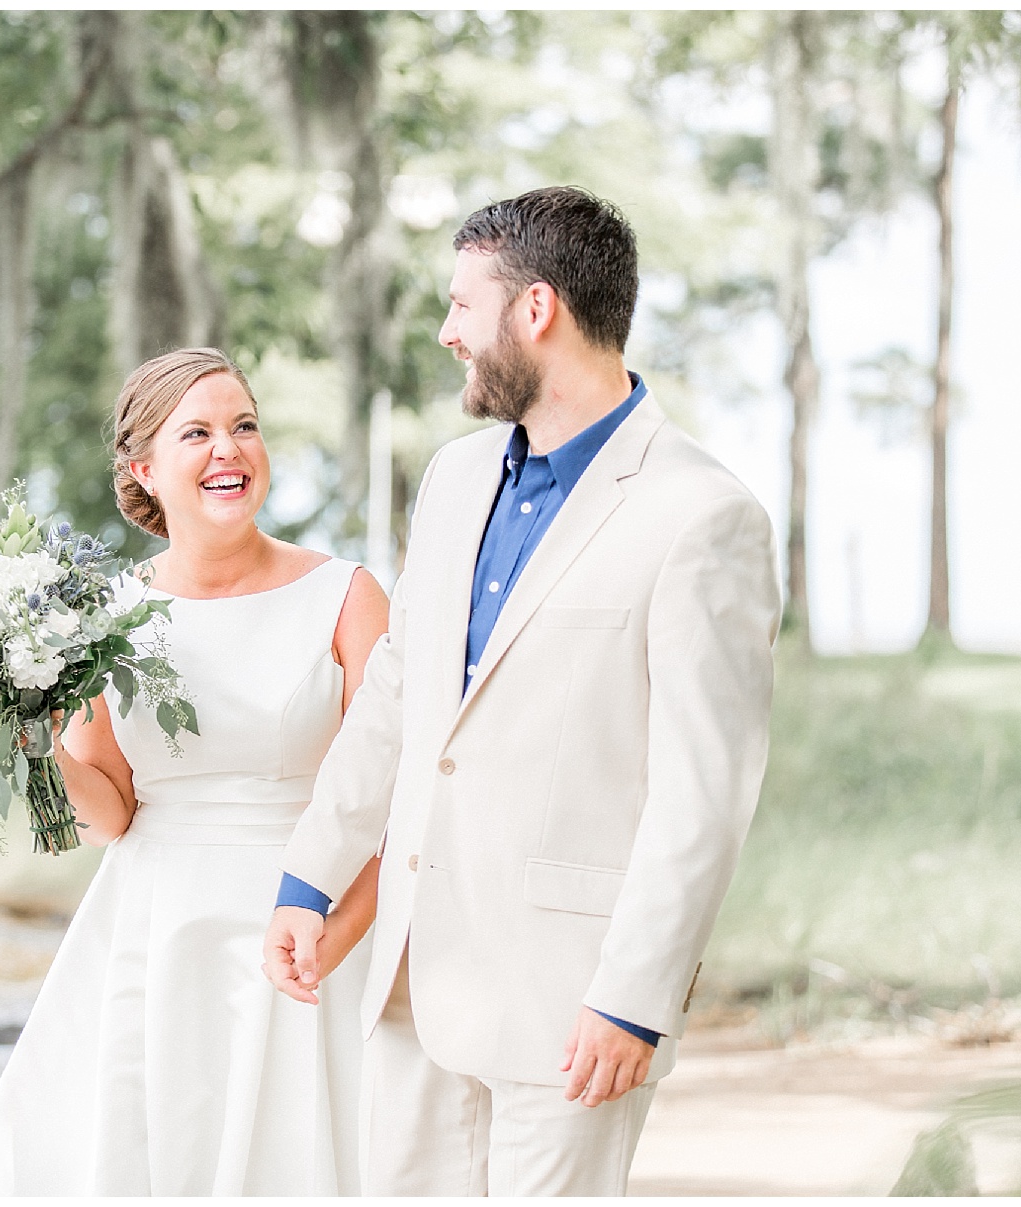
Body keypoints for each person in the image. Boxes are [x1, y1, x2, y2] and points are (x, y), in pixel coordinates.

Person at [262, 186, 783, 1196]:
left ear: (536, 310)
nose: (448, 332)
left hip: (572, 1002)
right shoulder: (455, 478)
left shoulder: (702, 515)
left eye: (463, 305)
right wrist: (309, 875)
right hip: (415, 981)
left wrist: (636, 998)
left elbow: (703, 794)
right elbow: (398, 701)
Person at [0, 348, 389, 1195]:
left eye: (244, 426)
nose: (227, 449)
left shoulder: (347, 596)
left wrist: (338, 937)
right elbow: (111, 809)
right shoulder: (105, 615)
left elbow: (396, 799)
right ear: (144, 468)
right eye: (196, 432)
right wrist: (32, 737)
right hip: (155, 934)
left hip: (311, 926)